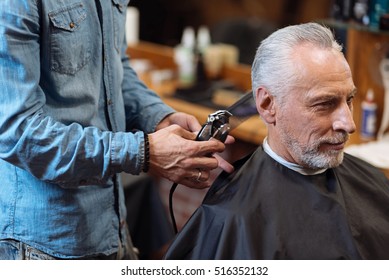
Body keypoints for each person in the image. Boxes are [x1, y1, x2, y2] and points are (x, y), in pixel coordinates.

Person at [0, 1, 233, 260]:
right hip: (45, 242)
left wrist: (158, 117)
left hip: (112, 226)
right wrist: (143, 151)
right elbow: (19, 131)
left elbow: (116, 70)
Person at [164, 22, 389, 260]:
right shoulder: (230, 217)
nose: (349, 123)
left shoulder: (373, 182)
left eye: (349, 99)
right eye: (325, 104)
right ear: (268, 105)